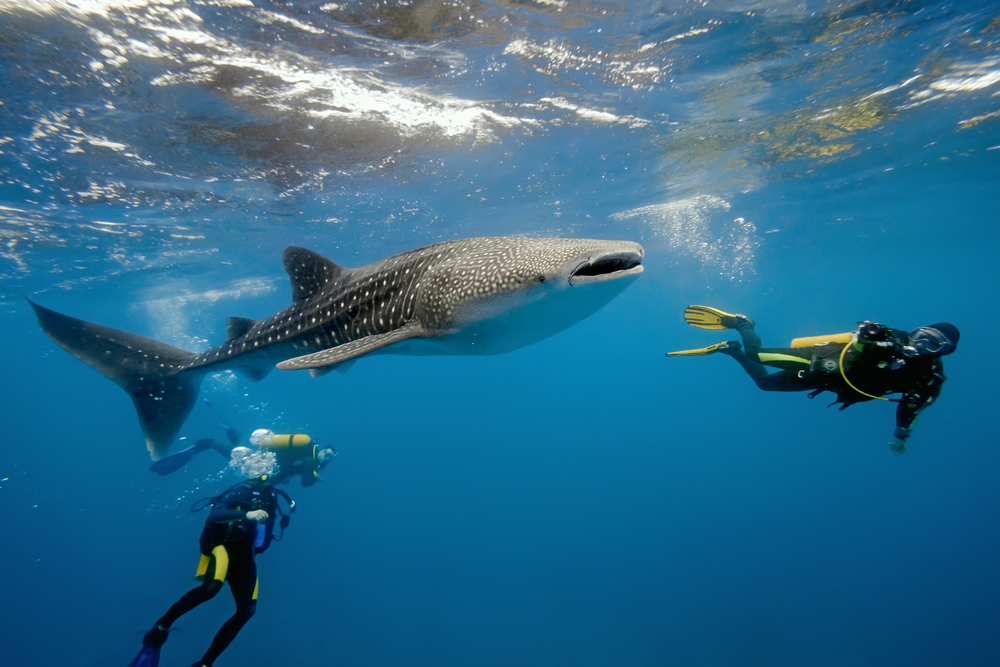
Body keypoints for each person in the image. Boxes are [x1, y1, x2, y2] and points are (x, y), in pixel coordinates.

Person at [666, 305, 959, 453]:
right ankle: (743, 324)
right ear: (916, 331)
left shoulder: (929, 378)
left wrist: (901, 434)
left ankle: (730, 351)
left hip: (832, 382)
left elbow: (911, 406)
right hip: (819, 361)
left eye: (933, 344)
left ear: (943, 352)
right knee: (756, 355)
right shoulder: (891, 337)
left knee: (764, 384)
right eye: (922, 336)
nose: (921, 345)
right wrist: (867, 337)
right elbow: (859, 345)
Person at [128, 450, 296, 667]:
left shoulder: (272, 496)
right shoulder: (241, 490)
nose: (261, 472)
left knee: (247, 610)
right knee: (211, 589)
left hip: (244, 551)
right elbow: (215, 515)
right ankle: (161, 627)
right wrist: (246, 514)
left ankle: (205, 663)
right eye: (256, 468)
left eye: (265, 468)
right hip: (222, 544)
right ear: (247, 470)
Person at [150, 402, 335, 486]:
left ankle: (231, 433)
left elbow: (293, 467)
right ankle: (209, 443)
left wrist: (285, 477)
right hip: (264, 462)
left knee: (241, 456)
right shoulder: (310, 457)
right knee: (239, 458)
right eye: (327, 452)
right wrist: (311, 475)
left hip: (269, 465)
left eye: (330, 457)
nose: (327, 456)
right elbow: (305, 480)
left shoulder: (314, 462)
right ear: (322, 448)